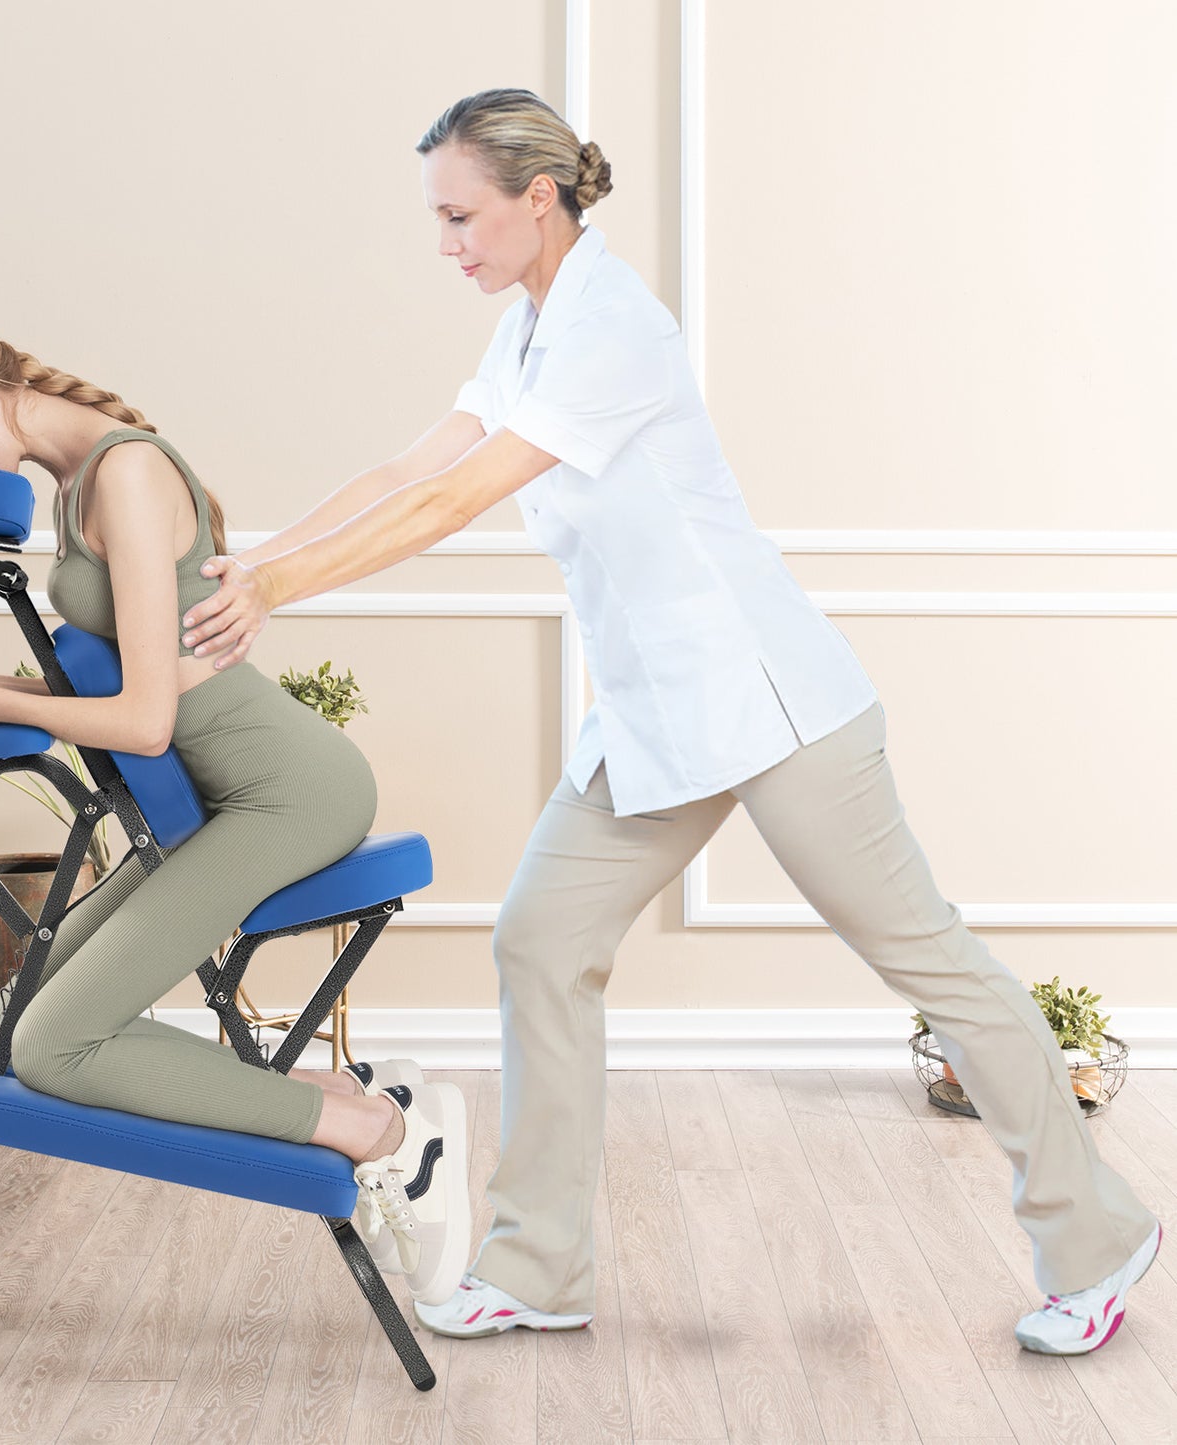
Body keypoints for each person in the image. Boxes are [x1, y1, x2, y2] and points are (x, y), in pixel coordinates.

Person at [179, 88, 1162, 1354]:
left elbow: (451, 505)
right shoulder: (530, 331)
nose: (446, 244)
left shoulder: (615, 330)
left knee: (929, 961)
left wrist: (278, 592)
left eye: (460, 216)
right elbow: (409, 469)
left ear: (538, 198)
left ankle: (1096, 1236)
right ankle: (537, 1264)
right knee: (541, 941)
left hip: (769, 700)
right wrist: (252, 561)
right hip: (652, 714)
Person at [0, 319, 469, 1305]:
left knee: (55, 1044)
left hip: (283, 794)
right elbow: (132, 673)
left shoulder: (123, 473)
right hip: (209, 804)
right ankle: (348, 1095)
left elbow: (142, 718)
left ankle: (383, 1134)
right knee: (15, 1018)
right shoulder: (78, 478)